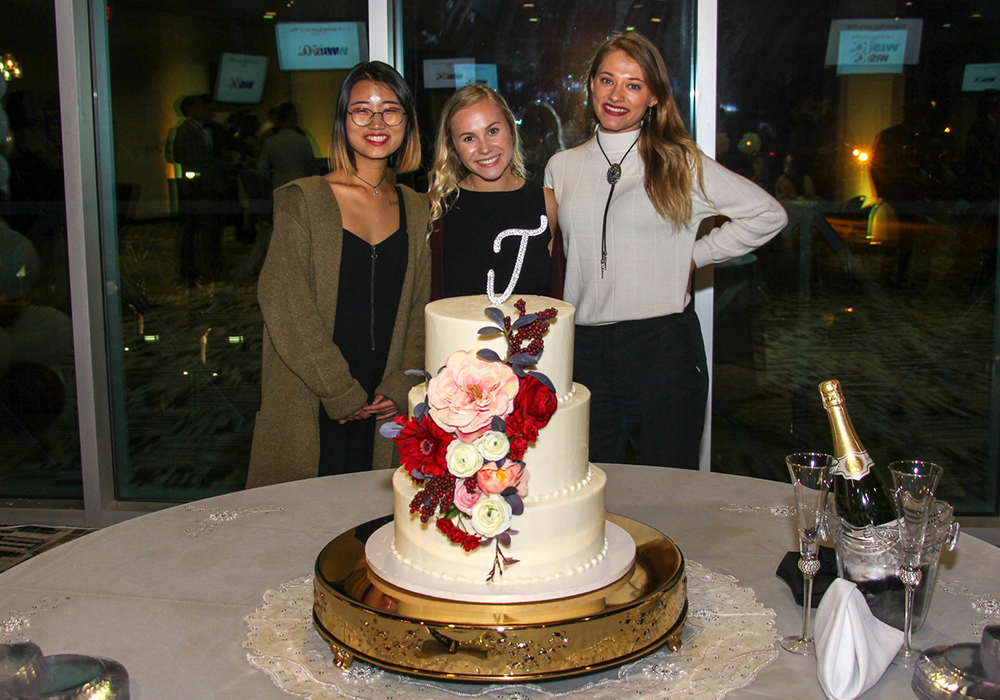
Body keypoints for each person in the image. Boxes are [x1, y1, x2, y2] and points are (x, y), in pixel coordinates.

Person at [544, 33, 786, 470]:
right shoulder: (562, 166)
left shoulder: (680, 162)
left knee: (671, 491)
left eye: (633, 85)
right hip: (586, 351)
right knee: (590, 487)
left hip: (662, 349)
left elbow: (767, 215)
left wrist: (698, 254)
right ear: (591, 86)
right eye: (607, 80)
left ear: (653, 96)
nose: (617, 95)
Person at [246, 61, 430, 488]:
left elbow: (422, 307)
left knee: (377, 526)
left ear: (407, 121)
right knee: (306, 526)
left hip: (384, 399)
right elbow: (285, 304)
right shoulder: (305, 200)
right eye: (361, 109)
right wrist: (338, 389)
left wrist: (402, 382)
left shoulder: (416, 207)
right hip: (316, 392)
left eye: (390, 109)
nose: (377, 121)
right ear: (343, 120)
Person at [427, 85, 560, 299]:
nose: (485, 148)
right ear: (454, 147)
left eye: (492, 131)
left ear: (510, 129)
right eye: (469, 138)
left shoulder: (547, 203)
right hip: (457, 333)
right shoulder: (438, 210)